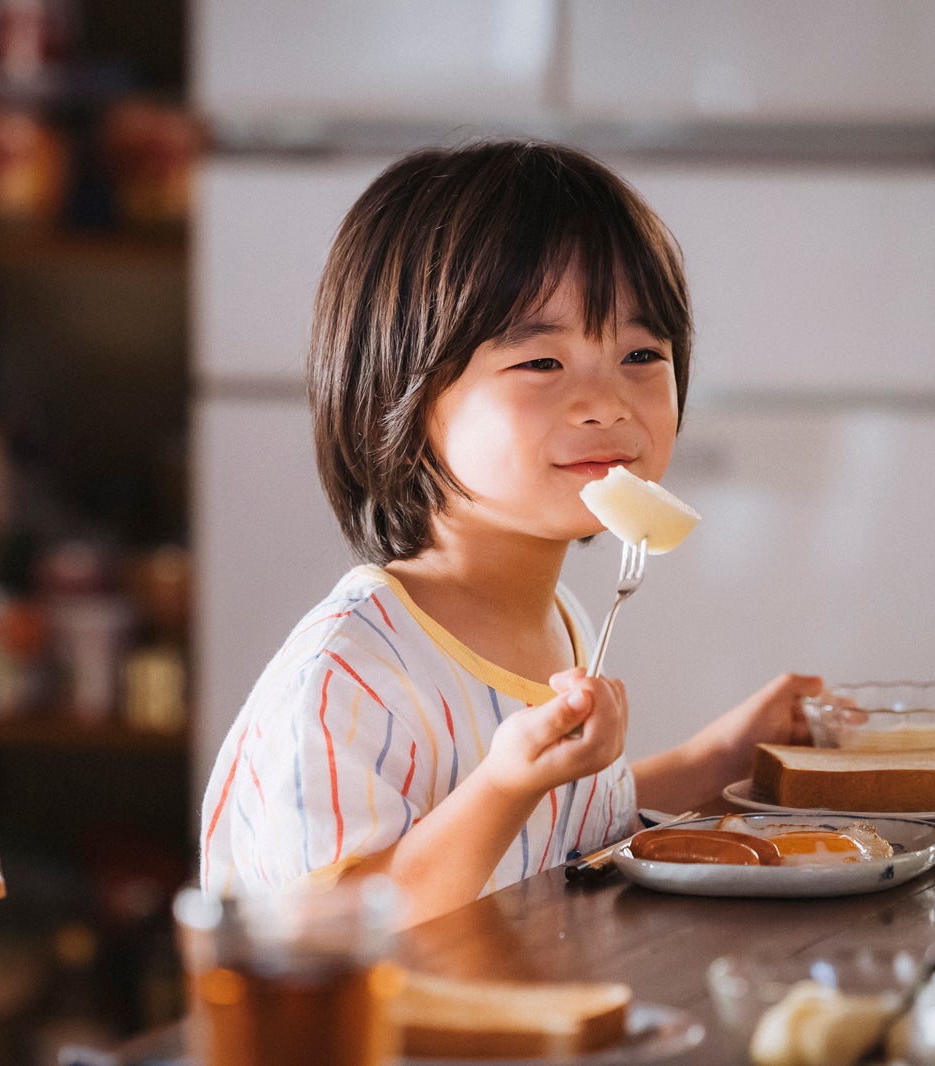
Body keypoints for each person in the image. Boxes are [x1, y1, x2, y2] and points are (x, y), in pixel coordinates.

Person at [199, 139, 823, 925]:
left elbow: (560, 837)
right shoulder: (351, 675)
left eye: (640, 353)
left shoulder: (562, 621)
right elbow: (335, 931)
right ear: (407, 393)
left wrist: (722, 759)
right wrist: (503, 786)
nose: (606, 403)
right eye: (541, 363)